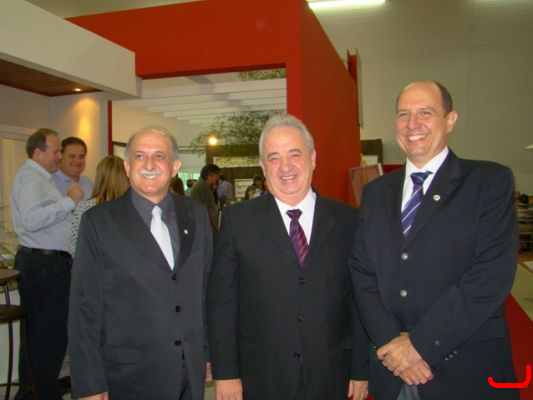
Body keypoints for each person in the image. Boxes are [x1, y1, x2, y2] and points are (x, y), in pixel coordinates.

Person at [349, 80, 518, 400]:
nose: (412, 124)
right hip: (393, 372)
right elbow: (362, 272)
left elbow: (490, 276)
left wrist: (418, 346)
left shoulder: (488, 183)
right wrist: (390, 345)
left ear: (450, 120)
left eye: (425, 113)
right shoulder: (376, 193)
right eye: (403, 114)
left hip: (464, 371)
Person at [207, 114, 369, 400]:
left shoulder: (349, 220)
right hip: (261, 378)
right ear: (263, 167)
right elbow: (222, 304)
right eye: (274, 158)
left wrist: (360, 368)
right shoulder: (237, 222)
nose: (285, 167)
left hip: (332, 375)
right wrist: (226, 373)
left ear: (313, 158)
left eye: (295, 154)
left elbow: (359, 299)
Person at [68, 126, 213, 400]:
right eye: (139, 156)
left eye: (159, 156)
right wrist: (89, 384)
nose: (149, 165)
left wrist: (207, 352)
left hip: (189, 372)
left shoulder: (195, 214)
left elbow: (205, 290)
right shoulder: (99, 222)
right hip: (130, 377)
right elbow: (84, 308)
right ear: (127, 166)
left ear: (175, 167)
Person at [10, 128, 84, 400]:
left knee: (43, 336)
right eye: (56, 151)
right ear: (37, 152)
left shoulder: (42, 178)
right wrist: (69, 201)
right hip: (44, 265)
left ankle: (34, 391)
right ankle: (39, 393)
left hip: (47, 264)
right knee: (48, 336)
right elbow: (31, 220)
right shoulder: (32, 178)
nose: (59, 156)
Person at [69, 155, 130, 256]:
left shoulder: (85, 207)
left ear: (99, 178)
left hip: (92, 263)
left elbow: (74, 246)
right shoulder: (130, 208)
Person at [52, 136, 93, 200]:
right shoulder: (51, 182)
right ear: (60, 157)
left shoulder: (88, 183)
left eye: (81, 157)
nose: (77, 161)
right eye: (72, 156)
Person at [190, 163, 220, 232]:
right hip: (207, 226)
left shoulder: (204, 185)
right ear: (209, 176)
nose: (217, 178)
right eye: (216, 175)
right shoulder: (202, 187)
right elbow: (201, 209)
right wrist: (210, 227)